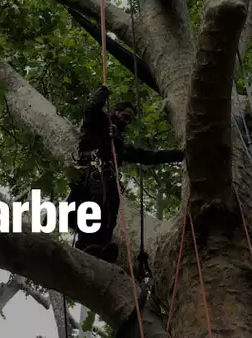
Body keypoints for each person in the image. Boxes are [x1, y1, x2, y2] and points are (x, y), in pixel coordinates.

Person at [66, 85, 184, 263]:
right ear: (115, 111)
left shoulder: (120, 145)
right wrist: (103, 91)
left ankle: (102, 245)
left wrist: (181, 154)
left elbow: (148, 156)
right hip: (91, 175)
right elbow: (91, 109)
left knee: (110, 206)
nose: (126, 122)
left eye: (129, 120)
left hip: (107, 178)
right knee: (96, 202)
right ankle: (86, 244)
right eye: (125, 116)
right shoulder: (100, 123)